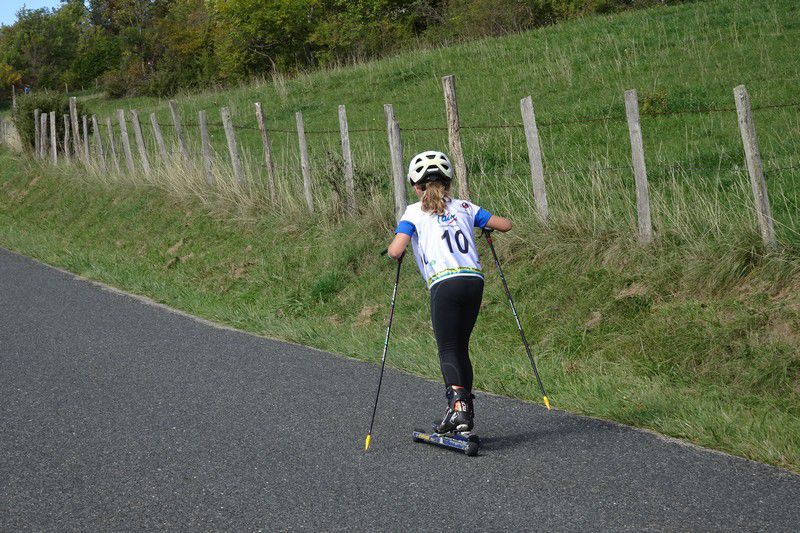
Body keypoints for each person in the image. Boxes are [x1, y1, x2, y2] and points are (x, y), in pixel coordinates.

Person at [387, 151, 512, 433]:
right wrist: (485, 228)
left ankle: (459, 410)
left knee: (447, 348)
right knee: (461, 347)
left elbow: (396, 250)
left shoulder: (414, 211)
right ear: (449, 182)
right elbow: (505, 224)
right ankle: (460, 411)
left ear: (415, 186)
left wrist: (395, 253)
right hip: (474, 281)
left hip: (445, 284)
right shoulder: (466, 207)